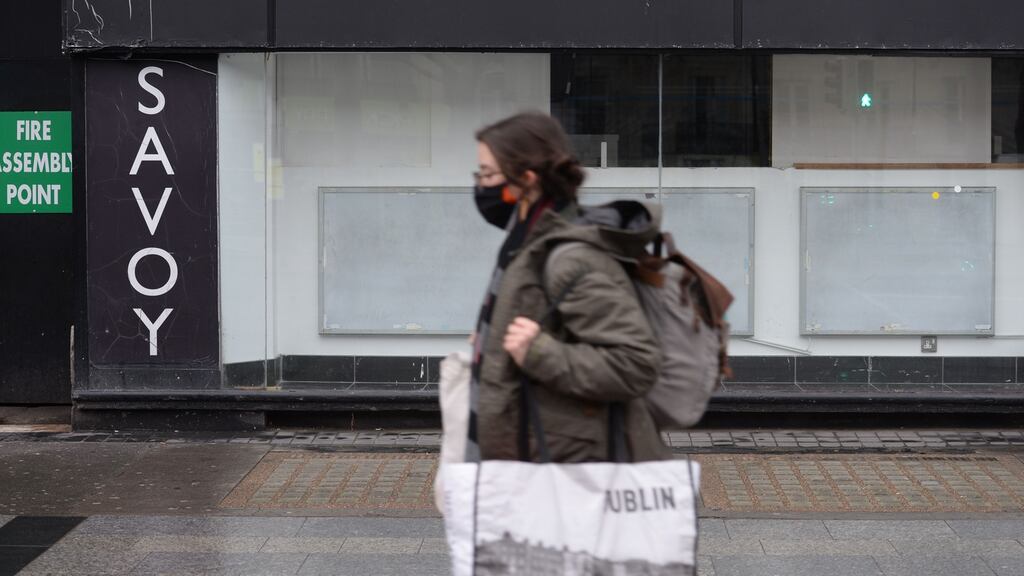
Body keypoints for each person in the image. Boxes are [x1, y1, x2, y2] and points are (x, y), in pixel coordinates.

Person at [466, 111, 671, 464]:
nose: (480, 185)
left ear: (526, 179)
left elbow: (635, 364)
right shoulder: (528, 242)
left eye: (487, 173)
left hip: (560, 472)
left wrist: (539, 352)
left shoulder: (570, 258)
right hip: (527, 456)